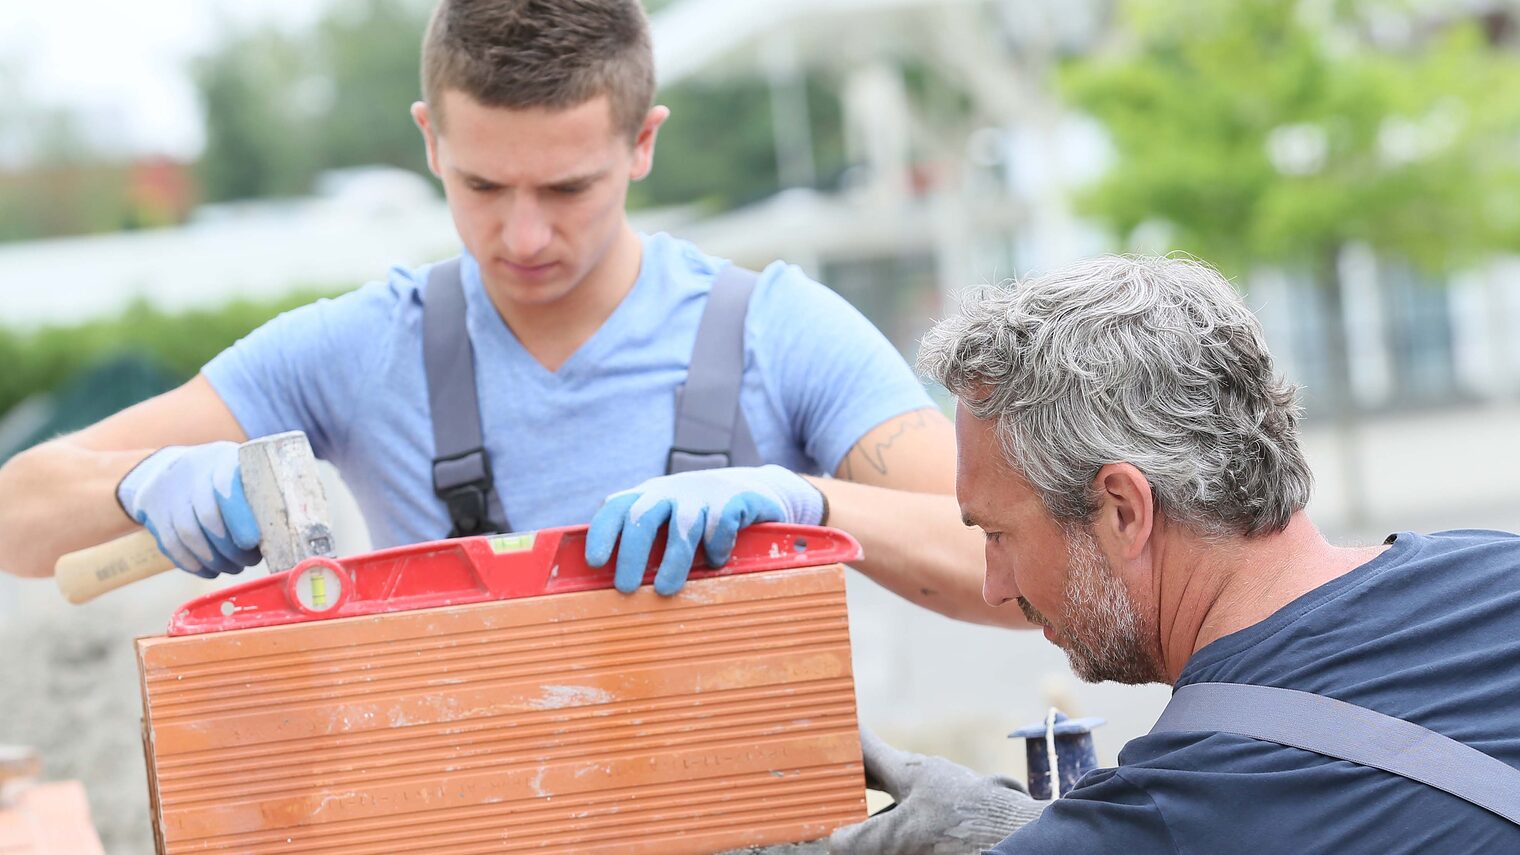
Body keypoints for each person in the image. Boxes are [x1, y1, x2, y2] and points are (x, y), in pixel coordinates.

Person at [0, 0, 1020, 627]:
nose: (523, 237)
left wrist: (807, 506)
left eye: (568, 189)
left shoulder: (780, 332)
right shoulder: (358, 350)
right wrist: (146, 481)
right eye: (483, 186)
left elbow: (1009, 574)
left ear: (642, 143)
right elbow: (17, 514)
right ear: (430, 140)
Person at [828, 254, 1520, 853]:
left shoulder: (1169, 816)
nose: (993, 585)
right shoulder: (1498, 576)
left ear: (1124, 510)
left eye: (998, 534)